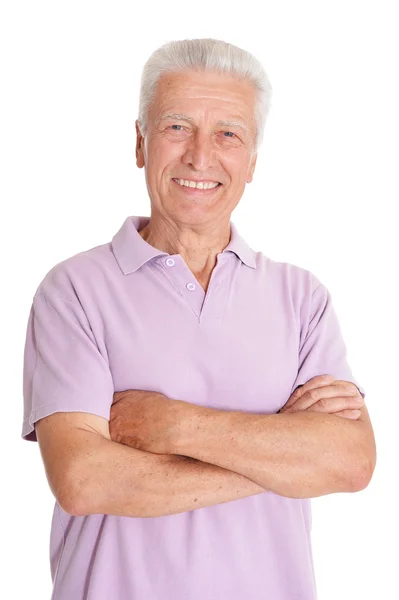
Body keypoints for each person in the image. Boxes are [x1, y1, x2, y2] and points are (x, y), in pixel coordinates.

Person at [22, 38, 376, 600]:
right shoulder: (74, 291)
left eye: (228, 134)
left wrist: (174, 426)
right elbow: (84, 480)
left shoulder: (301, 297)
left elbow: (351, 462)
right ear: (140, 143)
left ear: (254, 160)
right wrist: (282, 456)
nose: (201, 156)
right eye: (177, 127)